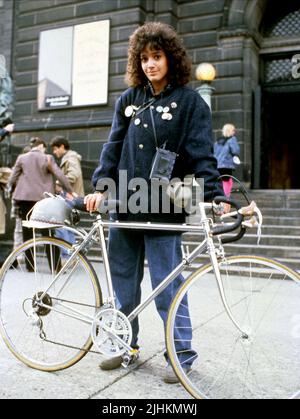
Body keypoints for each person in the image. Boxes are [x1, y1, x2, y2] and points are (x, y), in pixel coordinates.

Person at [84, 22, 224, 383]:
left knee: (168, 284)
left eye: (156, 56)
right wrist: (101, 187)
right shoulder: (129, 100)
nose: (150, 64)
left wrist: (213, 194)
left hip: (165, 208)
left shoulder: (190, 103)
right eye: (144, 58)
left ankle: (181, 355)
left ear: (170, 58)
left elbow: (201, 153)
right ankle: (123, 344)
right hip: (126, 204)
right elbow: (112, 148)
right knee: (124, 283)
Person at [7, 137, 73, 271]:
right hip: (43, 201)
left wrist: (10, 189)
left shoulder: (22, 158)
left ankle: (31, 267)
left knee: (27, 234)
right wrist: (70, 190)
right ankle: (55, 267)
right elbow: (59, 175)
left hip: (25, 200)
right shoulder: (47, 158)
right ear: (42, 146)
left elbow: (12, 178)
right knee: (48, 233)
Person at [50, 136, 84, 254]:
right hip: (71, 198)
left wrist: (59, 182)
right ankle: (72, 256)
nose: (54, 152)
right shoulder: (69, 157)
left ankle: (67, 256)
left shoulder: (70, 158)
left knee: (62, 227)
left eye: (55, 149)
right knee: (67, 228)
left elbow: (73, 174)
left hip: (69, 198)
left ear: (62, 146)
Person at [214, 123, 240, 197]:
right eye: (233, 130)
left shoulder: (218, 141)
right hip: (226, 165)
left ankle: (220, 197)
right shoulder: (232, 139)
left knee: (222, 181)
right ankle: (225, 198)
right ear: (230, 131)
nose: (234, 132)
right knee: (227, 182)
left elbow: (214, 153)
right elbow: (236, 151)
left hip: (218, 165)